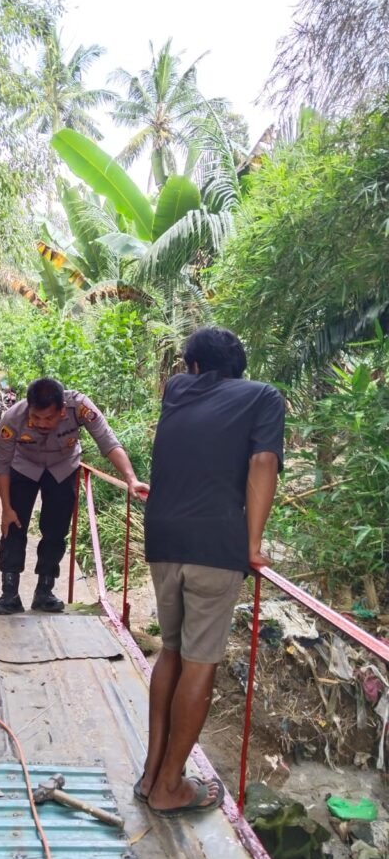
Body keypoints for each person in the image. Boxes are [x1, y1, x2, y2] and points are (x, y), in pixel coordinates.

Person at [137, 327, 284, 817]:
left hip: (162, 538)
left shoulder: (176, 390)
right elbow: (262, 463)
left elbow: (190, 383)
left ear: (192, 366)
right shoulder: (264, 397)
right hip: (214, 546)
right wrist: (254, 545)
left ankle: (151, 774)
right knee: (201, 662)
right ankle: (170, 787)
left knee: (172, 652)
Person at [0, 376, 148, 614]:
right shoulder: (13, 418)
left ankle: (45, 590)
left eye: (49, 418)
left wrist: (131, 479)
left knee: (56, 529)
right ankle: (9, 593)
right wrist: (6, 507)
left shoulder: (80, 407)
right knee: (13, 525)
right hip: (24, 467)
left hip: (63, 467)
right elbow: (1, 465)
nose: (42, 423)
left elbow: (108, 442)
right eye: (36, 417)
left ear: (62, 410)